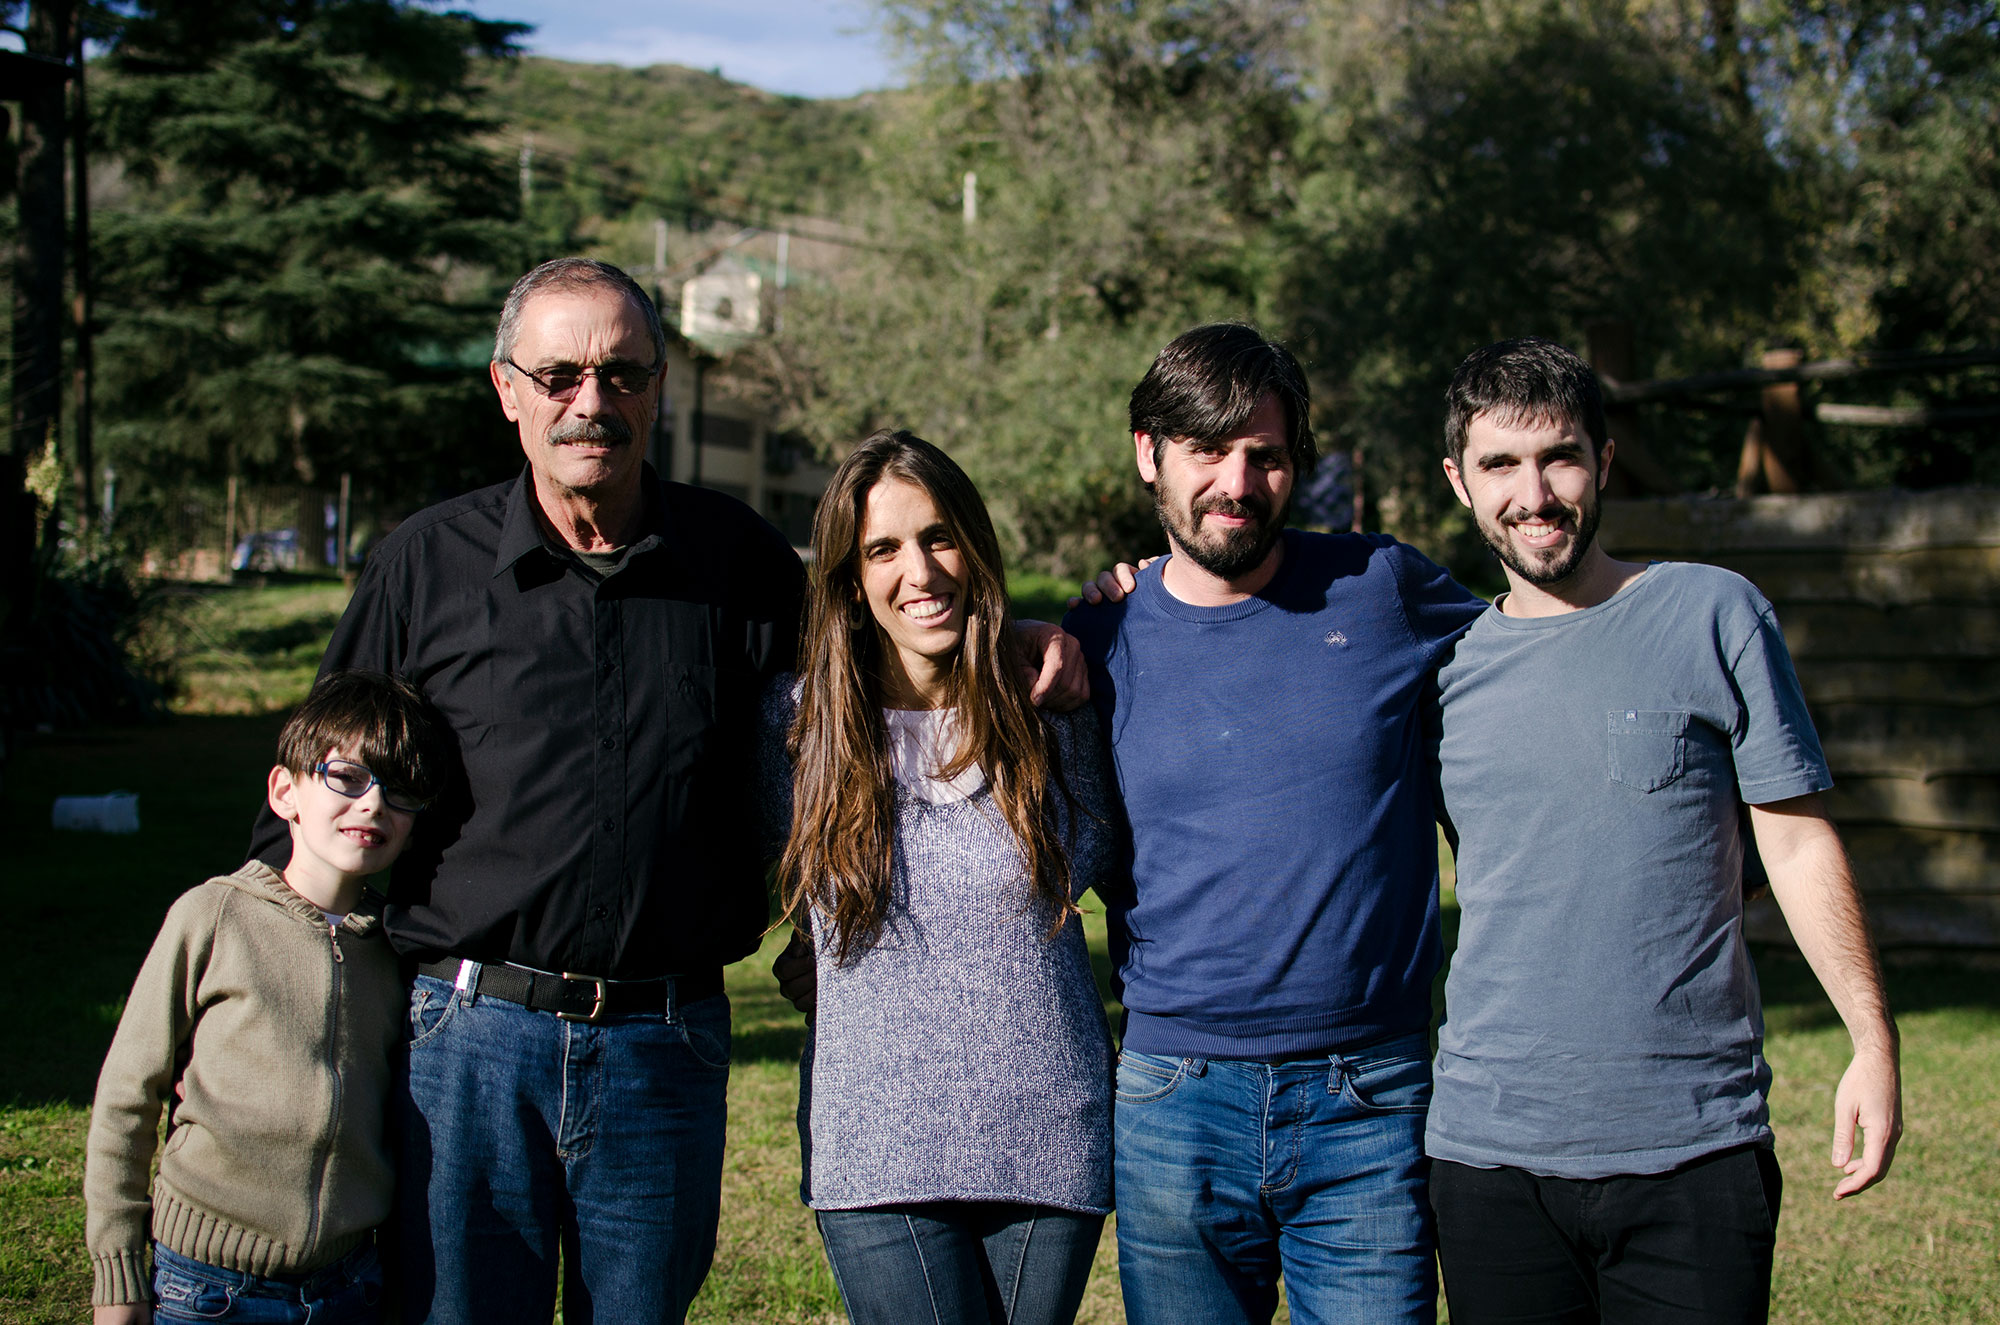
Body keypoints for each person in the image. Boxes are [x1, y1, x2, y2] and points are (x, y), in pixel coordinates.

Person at [248, 258, 1085, 1325]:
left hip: (664, 1045)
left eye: (622, 373)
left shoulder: (731, 556)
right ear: (506, 389)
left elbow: (877, 640)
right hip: (468, 1040)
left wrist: (1010, 634)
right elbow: (315, 786)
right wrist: (249, 1003)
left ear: (657, 389)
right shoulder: (426, 565)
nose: (590, 402)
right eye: (558, 375)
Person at [1427, 337, 1902, 1323]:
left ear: (1602, 460)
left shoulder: (1710, 611)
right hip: (1485, 1156)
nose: (1534, 493)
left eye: (1558, 455)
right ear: (1456, 482)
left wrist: (1870, 1040)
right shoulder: (1441, 666)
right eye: (1499, 465)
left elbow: (1795, 838)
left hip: (1692, 1148)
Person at [1062, 323, 1486, 1324]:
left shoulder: (1380, 588)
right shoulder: (1095, 637)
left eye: (1264, 453)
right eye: (1207, 448)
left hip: (1369, 1101)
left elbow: (1535, 655)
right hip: (1175, 1100)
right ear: (1146, 453)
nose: (1237, 481)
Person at [757, 430, 1120, 1325]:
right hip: (874, 1141)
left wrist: (1054, 645)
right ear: (850, 578)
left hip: (1048, 1126)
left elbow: (1093, 856)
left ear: (976, 548)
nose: (918, 569)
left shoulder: (1047, 704)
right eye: (883, 548)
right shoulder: (797, 729)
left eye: (939, 536)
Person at [87, 671, 454, 1325]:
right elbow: (126, 1094)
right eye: (347, 776)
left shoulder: (397, 950)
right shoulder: (213, 914)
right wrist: (118, 1270)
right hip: (208, 1287)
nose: (373, 804)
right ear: (286, 790)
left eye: (399, 790)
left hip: (348, 1287)